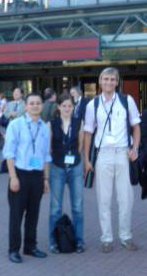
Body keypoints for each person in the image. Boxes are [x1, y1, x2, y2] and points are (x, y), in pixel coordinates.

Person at [84, 67, 141, 253]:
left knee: (126, 198)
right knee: (104, 199)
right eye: (105, 79)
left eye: (112, 79)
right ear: (100, 82)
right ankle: (106, 238)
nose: (108, 82)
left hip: (123, 153)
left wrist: (135, 148)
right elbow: (88, 133)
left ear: (117, 82)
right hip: (103, 155)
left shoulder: (127, 101)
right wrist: (87, 159)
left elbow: (136, 127)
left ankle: (125, 237)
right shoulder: (92, 105)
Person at [3, 93, 51, 263]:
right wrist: (13, 177)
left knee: (33, 214)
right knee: (16, 215)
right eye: (32, 103)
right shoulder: (16, 125)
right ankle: (13, 249)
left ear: (42, 106)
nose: (35, 106)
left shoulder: (45, 127)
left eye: (38, 103)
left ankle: (30, 247)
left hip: (37, 176)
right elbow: (9, 153)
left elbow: (46, 156)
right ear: (26, 106)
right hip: (20, 175)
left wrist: (45, 179)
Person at [48, 94, 84, 254]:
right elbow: (49, 147)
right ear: (59, 107)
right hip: (57, 167)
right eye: (64, 106)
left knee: (78, 207)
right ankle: (54, 242)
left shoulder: (78, 122)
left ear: (73, 107)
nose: (67, 108)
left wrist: (73, 158)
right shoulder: (52, 123)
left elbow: (81, 145)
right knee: (55, 207)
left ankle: (79, 241)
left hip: (75, 167)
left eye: (70, 105)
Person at [0, 88, 25, 174]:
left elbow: (24, 114)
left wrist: (16, 114)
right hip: (10, 129)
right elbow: (5, 113)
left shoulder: (25, 104)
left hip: (21, 130)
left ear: (22, 94)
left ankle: (19, 167)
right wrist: (11, 114)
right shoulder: (10, 103)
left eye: (17, 92)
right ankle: (4, 167)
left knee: (20, 149)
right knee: (7, 148)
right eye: (14, 92)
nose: (15, 94)